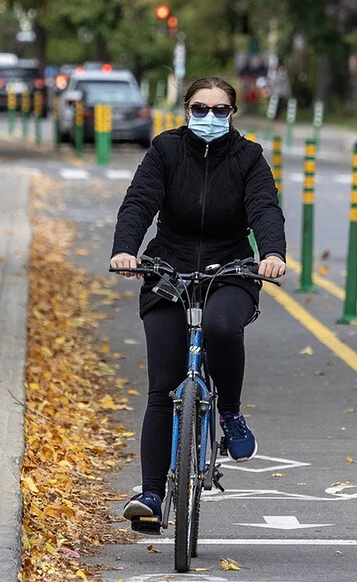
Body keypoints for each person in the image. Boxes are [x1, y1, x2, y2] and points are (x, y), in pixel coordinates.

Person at [110, 76, 287, 534]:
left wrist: (271, 255)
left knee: (222, 327)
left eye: (220, 110)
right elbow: (139, 203)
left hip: (230, 268)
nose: (210, 118)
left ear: (232, 115)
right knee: (162, 386)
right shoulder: (165, 151)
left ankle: (229, 412)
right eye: (200, 108)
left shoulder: (248, 158)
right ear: (186, 110)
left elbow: (265, 208)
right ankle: (150, 495)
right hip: (169, 267)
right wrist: (126, 250)